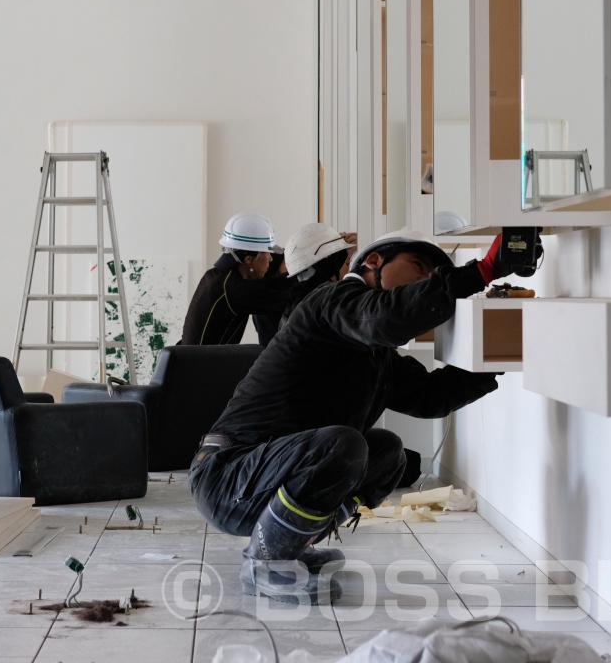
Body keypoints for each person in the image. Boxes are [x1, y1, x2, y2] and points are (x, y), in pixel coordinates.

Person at [188, 228, 540, 605]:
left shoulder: (375, 354)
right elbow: (386, 317)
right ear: (374, 261)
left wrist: (498, 355)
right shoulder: (331, 301)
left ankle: (289, 543)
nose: (424, 280)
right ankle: (266, 564)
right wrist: (482, 270)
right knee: (343, 445)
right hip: (227, 474)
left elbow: (430, 397)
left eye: (429, 276)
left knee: (387, 453)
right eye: (418, 267)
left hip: (257, 476)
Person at [180, 212, 295, 346]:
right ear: (248, 259)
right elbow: (282, 297)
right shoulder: (233, 290)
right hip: (203, 360)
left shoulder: (215, 277)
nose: (270, 258)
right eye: (267, 253)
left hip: (192, 357)